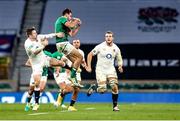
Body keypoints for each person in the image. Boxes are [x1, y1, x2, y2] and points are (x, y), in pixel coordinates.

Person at [24, 27, 66, 111]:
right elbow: (35, 52)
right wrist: (43, 46)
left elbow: (48, 36)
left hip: (44, 59)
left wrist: (57, 34)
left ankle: (72, 69)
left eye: (36, 33)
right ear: (29, 35)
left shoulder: (38, 37)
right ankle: (32, 103)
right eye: (34, 33)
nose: (36, 34)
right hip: (36, 64)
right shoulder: (27, 43)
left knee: (61, 63)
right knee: (34, 86)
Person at [86, 31, 123, 111]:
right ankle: (94, 88)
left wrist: (120, 66)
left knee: (114, 86)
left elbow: (119, 58)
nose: (108, 38)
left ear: (113, 38)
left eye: (110, 36)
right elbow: (90, 54)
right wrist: (89, 66)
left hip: (111, 70)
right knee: (102, 90)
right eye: (107, 36)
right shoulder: (100, 46)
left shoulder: (116, 48)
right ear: (105, 38)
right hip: (100, 70)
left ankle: (115, 106)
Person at [55, 8, 83, 87]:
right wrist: (76, 20)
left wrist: (78, 26)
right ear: (66, 14)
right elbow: (71, 25)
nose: (70, 17)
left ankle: (72, 76)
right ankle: (72, 76)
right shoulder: (62, 18)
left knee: (75, 62)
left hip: (61, 45)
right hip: (63, 43)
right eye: (70, 16)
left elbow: (72, 34)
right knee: (80, 57)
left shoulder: (64, 24)